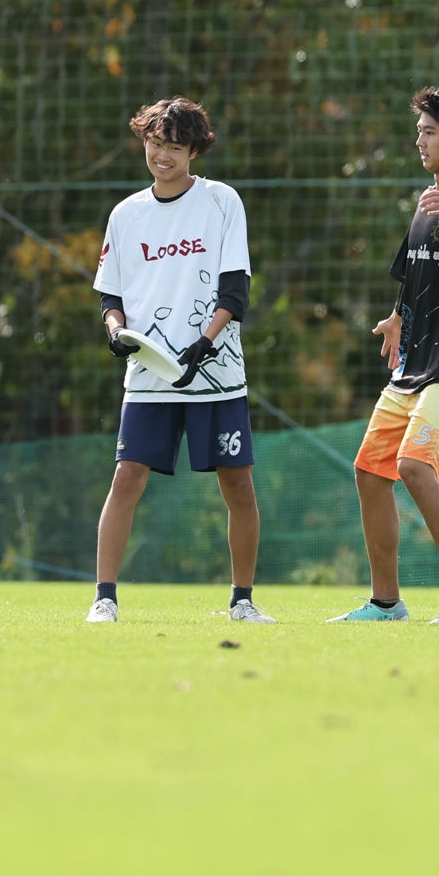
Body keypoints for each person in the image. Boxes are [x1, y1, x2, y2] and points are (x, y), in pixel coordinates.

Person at [88, 98, 266, 624]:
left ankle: (242, 602)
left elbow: (235, 292)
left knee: (238, 485)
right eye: (154, 143)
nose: (161, 155)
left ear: (194, 150)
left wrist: (204, 343)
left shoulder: (221, 201)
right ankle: (104, 599)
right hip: (149, 374)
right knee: (127, 477)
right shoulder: (125, 214)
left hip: (216, 370)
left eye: (173, 146)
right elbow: (110, 296)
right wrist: (116, 332)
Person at [332, 86, 439, 625]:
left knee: (414, 467)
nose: (420, 141)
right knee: (369, 472)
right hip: (414, 364)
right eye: (419, 131)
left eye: (429, 132)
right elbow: (413, 275)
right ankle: (386, 603)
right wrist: (396, 318)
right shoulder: (425, 203)